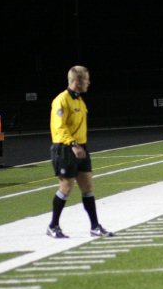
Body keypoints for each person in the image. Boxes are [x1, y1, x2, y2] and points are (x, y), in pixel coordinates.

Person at [47, 66, 114, 238]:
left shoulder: (79, 101)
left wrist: (80, 146)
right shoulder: (61, 100)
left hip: (81, 147)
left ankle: (94, 226)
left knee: (88, 187)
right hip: (65, 148)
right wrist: (74, 145)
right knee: (66, 187)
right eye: (86, 79)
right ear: (77, 81)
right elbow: (59, 127)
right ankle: (53, 226)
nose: (88, 82)